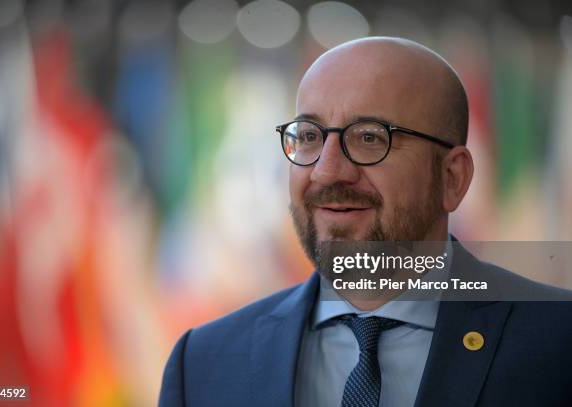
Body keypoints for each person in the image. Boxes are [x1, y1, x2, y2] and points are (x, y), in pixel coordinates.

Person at [158, 37, 572, 407]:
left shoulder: (558, 343)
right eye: (308, 136)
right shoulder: (203, 364)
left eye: (370, 137)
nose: (326, 171)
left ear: (453, 178)